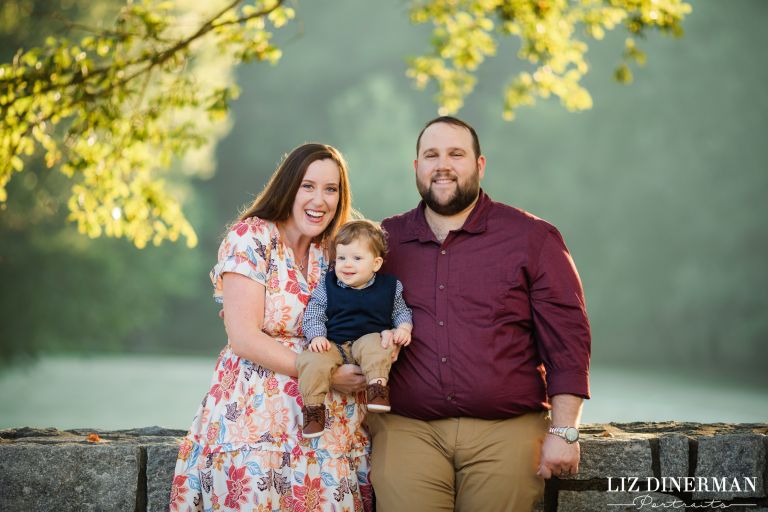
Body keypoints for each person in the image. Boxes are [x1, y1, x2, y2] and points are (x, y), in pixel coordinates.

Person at [367, 116, 592, 511]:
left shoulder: (532, 238)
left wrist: (565, 431)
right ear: (416, 166)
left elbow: (567, 343)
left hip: (506, 429)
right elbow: (350, 316)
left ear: (480, 165)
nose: (443, 165)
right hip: (408, 428)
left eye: (456, 154)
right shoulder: (384, 241)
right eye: (431, 155)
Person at [169, 143, 375, 512]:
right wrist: (327, 375)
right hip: (256, 424)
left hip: (328, 434)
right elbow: (244, 338)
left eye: (331, 189)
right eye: (308, 186)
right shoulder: (252, 237)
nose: (320, 200)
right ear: (288, 187)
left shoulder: (336, 251)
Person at [296, 219, 413, 438]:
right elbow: (314, 312)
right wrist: (316, 336)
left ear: (376, 263)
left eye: (357, 258)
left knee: (379, 343)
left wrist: (404, 328)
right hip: (333, 344)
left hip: (367, 341)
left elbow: (400, 311)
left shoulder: (390, 286)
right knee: (311, 359)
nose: (347, 265)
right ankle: (313, 409)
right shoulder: (328, 285)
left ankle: (377, 388)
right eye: (341, 258)